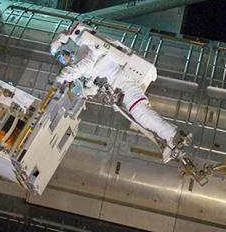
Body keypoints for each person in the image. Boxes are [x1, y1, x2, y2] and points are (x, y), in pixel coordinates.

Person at [50, 23, 189, 162]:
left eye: (62, 56)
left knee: (139, 112)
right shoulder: (84, 55)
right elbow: (92, 80)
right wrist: (85, 91)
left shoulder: (86, 50)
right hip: (118, 82)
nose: (64, 61)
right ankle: (170, 135)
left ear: (67, 48)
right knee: (138, 113)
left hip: (121, 78)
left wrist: (59, 81)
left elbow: (79, 68)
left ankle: (172, 135)